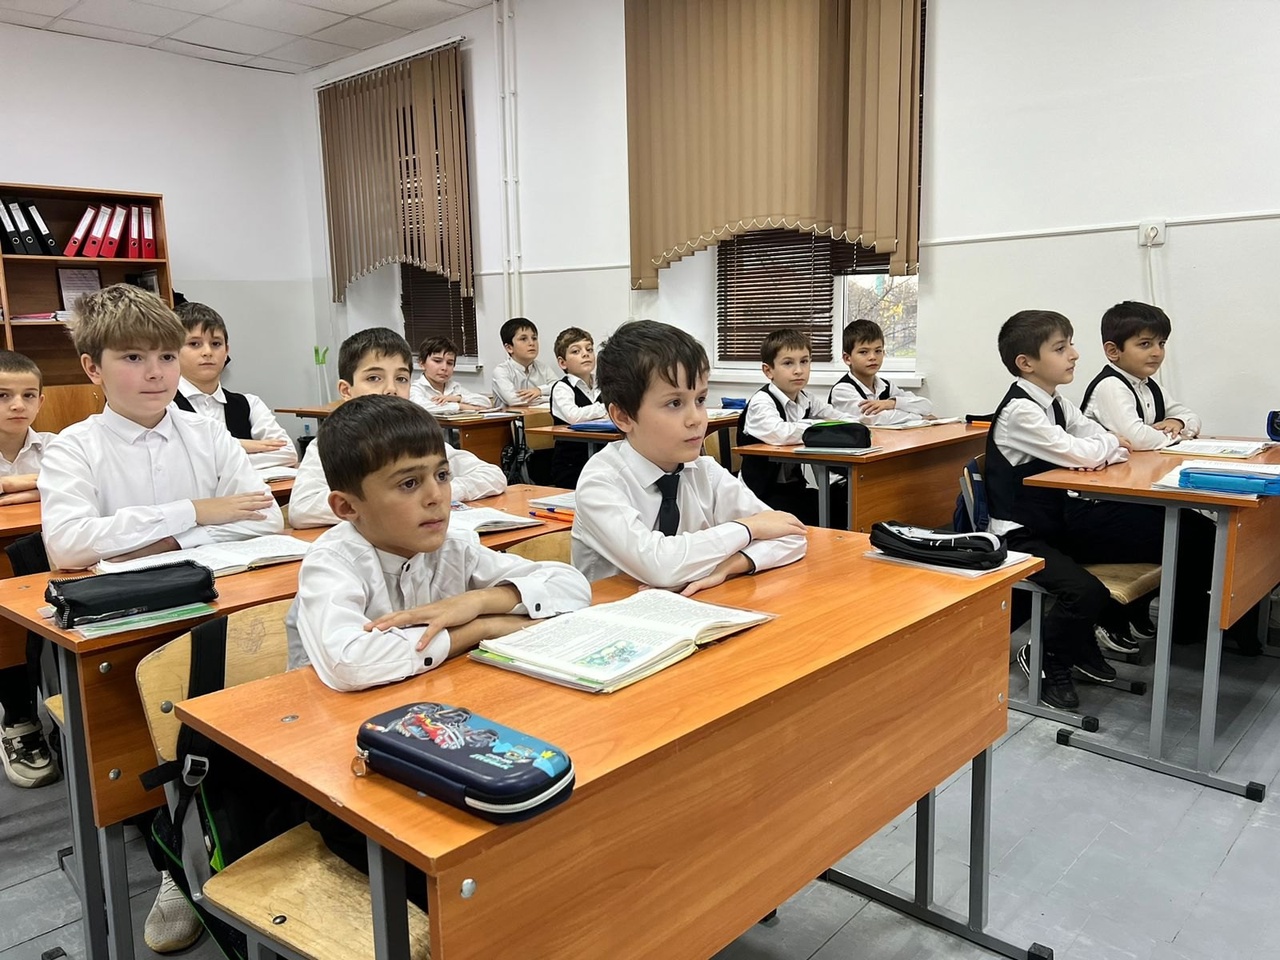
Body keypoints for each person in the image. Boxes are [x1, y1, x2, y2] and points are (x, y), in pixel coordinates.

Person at [37, 283, 282, 953]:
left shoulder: (207, 432)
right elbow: (69, 546)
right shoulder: (74, 448)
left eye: (166, 357)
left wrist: (148, 539)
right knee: (149, 750)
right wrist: (195, 514)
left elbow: (266, 517)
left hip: (219, 613)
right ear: (92, 368)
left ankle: (239, 837)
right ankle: (176, 862)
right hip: (124, 635)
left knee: (252, 727)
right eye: (133, 358)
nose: (156, 374)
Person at [285, 395, 591, 909]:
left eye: (442, 475)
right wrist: (478, 630)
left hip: (435, 736)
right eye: (409, 484)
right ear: (347, 507)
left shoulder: (452, 546)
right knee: (465, 877)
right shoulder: (332, 561)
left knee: (543, 825)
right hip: (342, 770)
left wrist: (481, 602)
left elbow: (572, 587)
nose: (437, 497)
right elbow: (350, 663)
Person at [985, 310, 1213, 711]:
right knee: (1084, 592)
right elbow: (1088, 450)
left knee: (1171, 535)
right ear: (1026, 363)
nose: (1074, 354)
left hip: (1060, 524)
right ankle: (1045, 656)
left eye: (1071, 344)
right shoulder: (1021, 411)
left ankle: (1085, 638)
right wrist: (1104, 448)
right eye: (1061, 348)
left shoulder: (1057, 403)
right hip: (1020, 534)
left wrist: (1103, 447)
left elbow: (1103, 440)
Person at [572, 320, 807, 588]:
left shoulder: (705, 471)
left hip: (692, 606)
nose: (696, 418)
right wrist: (749, 528)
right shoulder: (601, 481)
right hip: (612, 610)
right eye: (675, 403)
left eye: (700, 400)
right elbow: (660, 566)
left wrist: (730, 565)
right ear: (623, 416)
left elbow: (791, 534)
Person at [289, 328, 505, 528]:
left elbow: (492, 475)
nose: (391, 389)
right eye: (374, 378)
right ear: (346, 390)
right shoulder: (330, 444)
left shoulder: (418, 439)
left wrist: (444, 490)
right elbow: (302, 509)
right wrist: (400, 500)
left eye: (401, 379)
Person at [0, 350, 58, 789]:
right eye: (2, 395)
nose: (17, 405)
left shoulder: (55, 445)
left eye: (27, 395)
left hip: (49, 553)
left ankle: (62, 710)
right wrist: (42, 485)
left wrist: (13, 486)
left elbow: (78, 483)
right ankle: (19, 718)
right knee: (8, 634)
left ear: (40, 400)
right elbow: (59, 485)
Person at [737, 330, 847, 526]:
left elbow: (842, 419)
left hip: (792, 487)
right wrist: (819, 426)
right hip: (759, 494)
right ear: (768, 371)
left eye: (804, 362)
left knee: (841, 506)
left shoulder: (806, 398)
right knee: (818, 517)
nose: (799, 370)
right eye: (788, 363)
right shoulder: (761, 402)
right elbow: (781, 434)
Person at [1080, 300, 1201, 450]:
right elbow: (1137, 440)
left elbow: (1192, 417)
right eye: (1145, 344)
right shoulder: (1111, 385)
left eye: (1161, 343)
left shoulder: (1149, 385)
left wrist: (1178, 422)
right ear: (1113, 351)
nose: (1157, 352)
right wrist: (1179, 436)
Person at [828, 318, 930, 425]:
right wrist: (919, 417)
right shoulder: (842, 390)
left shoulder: (886, 386)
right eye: (864, 352)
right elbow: (875, 418)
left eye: (878, 351)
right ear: (847, 358)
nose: (873, 357)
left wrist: (892, 403)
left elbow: (926, 406)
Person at [548, 326, 607, 488]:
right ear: (562, 363)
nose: (585, 354)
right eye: (576, 351)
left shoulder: (603, 384)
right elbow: (573, 416)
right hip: (571, 465)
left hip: (602, 460)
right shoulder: (562, 388)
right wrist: (605, 408)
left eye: (589, 349)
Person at [409, 335, 490, 414]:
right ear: (422, 364)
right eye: (437, 361)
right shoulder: (416, 388)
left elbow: (486, 403)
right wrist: (460, 406)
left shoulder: (454, 387)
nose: (444, 368)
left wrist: (457, 398)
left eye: (449, 363)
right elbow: (420, 408)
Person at [490, 317, 558, 406]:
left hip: (541, 414)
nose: (531, 343)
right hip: (509, 415)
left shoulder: (543, 368)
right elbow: (514, 401)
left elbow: (560, 389)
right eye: (523, 339)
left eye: (534, 338)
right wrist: (550, 398)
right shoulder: (501, 371)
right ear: (509, 348)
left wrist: (539, 390)